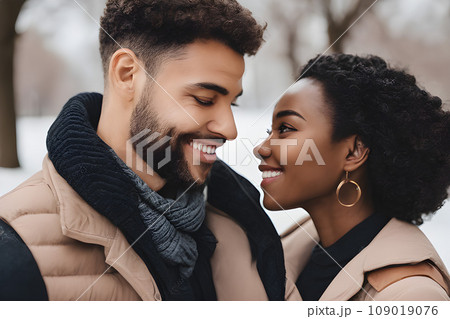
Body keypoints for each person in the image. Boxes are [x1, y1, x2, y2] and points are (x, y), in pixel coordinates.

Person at [0, 0, 286, 301]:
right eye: (204, 99)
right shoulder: (14, 251)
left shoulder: (242, 220)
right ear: (127, 75)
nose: (230, 129)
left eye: (233, 103)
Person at [254, 54, 450, 301]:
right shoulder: (296, 242)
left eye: (286, 129)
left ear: (353, 152)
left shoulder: (412, 296)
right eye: (270, 131)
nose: (261, 148)